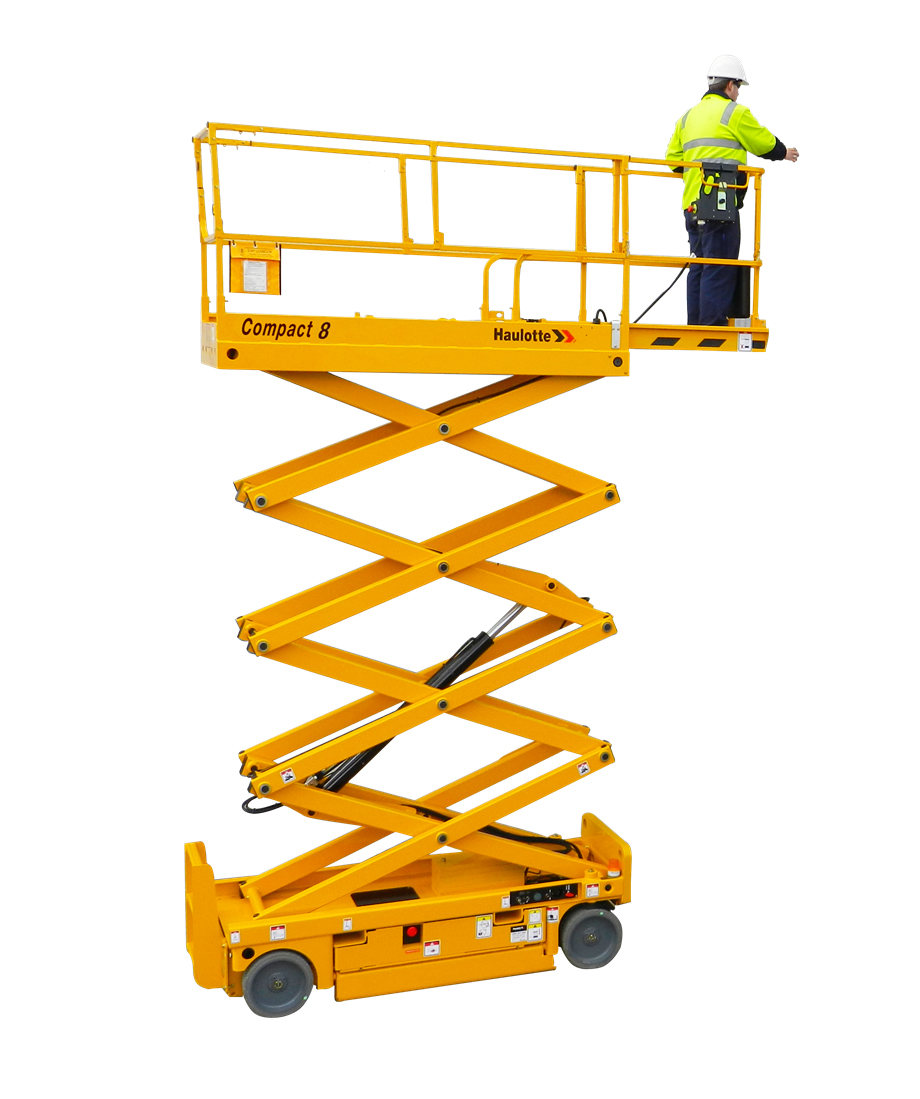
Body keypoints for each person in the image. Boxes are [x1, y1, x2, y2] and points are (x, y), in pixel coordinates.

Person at [666, 54, 799, 327]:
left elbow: (673, 160)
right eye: (738, 87)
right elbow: (763, 143)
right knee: (720, 265)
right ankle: (711, 328)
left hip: (692, 205)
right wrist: (783, 152)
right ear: (730, 85)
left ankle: (696, 326)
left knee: (699, 265)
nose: (738, 93)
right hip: (721, 205)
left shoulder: (687, 117)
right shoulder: (734, 113)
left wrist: (698, 172)